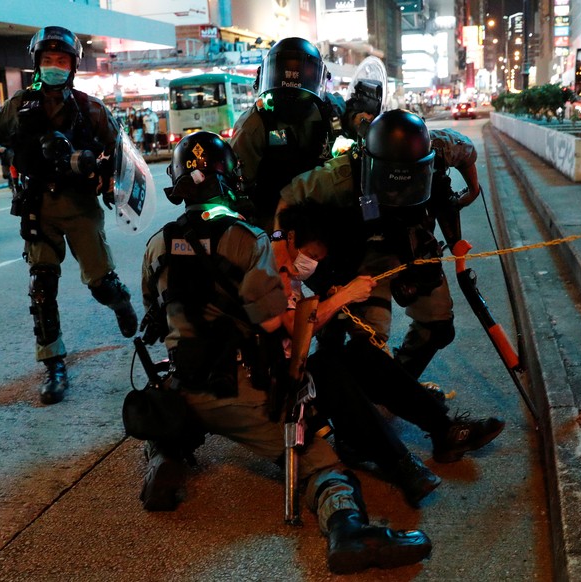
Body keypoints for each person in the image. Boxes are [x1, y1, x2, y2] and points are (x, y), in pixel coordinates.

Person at [138, 131, 432, 574]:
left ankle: (164, 456)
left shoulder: (157, 245)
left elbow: (153, 319)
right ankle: (347, 531)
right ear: (230, 179)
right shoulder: (247, 240)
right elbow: (288, 333)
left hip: (182, 388)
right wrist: (337, 300)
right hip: (241, 393)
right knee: (324, 466)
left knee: (164, 416)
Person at [0, 26, 138, 405]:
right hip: (38, 207)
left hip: (80, 208)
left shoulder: (90, 109)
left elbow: (123, 155)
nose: (54, 66)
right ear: (37, 63)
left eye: (62, 60)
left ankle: (120, 303)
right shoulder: (19, 106)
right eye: (48, 60)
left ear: (73, 66)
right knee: (41, 288)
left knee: (102, 283)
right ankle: (53, 363)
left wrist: (100, 171)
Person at [278, 108, 482, 382]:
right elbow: (288, 196)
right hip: (368, 246)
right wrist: (280, 252)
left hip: (415, 241)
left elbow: (467, 153)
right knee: (368, 338)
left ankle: (400, 385)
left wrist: (472, 190)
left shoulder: (438, 147)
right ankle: (364, 393)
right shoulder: (342, 173)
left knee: (439, 325)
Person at [272, 201, 442, 507]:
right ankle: (402, 466)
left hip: (292, 371)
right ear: (292, 238)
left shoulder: (291, 269)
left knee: (362, 353)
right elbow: (296, 329)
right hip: (271, 384)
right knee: (326, 368)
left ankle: (443, 428)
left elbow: (301, 314)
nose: (312, 263)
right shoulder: (270, 267)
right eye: (311, 255)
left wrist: (333, 297)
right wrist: (346, 296)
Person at [230, 37, 380, 232]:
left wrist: (359, 119)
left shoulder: (330, 110)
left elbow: (350, 116)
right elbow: (236, 186)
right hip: (275, 221)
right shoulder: (254, 126)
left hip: (324, 214)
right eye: (285, 92)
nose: (292, 98)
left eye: (299, 93)